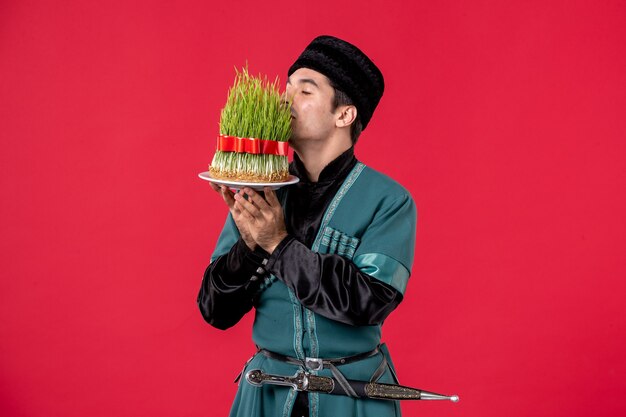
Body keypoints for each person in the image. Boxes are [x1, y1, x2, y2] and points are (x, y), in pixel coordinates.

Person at [198, 35, 417, 417]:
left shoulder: (389, 200)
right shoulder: (262, 192)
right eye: (287, 88)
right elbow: (215, 311)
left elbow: (367, 302)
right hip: (265, 396)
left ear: (343, 115)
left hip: (353, 398)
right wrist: (249, 247)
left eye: (305, 90)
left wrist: (278, 244)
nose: (285, 99)